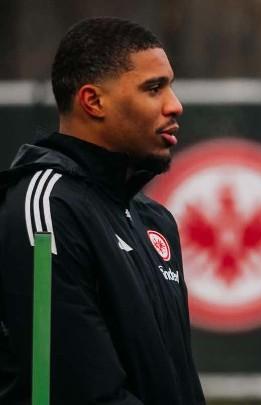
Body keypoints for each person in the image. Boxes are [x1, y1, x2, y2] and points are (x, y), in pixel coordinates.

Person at [0, 17, 205, 404]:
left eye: (170, 86)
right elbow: (76, 392)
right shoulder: (47, 208)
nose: (175, 105)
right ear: (93, 101)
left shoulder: (153, 219)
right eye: (154, 88)